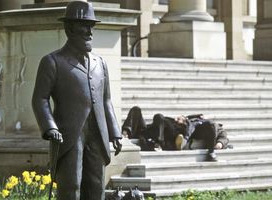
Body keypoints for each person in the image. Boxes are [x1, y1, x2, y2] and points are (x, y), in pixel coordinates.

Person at [31, 1, 122, 199]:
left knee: (97, 183)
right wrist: (50, 127)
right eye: (85, 26)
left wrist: (115, 132)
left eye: (91, 26)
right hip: (69, 134)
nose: (90, 32)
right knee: (71, 184)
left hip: (98, 133)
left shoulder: (101, 63)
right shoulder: (53, 61)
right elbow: (40, 99)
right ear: (69, 28)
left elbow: (106, 101)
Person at [122, 106, 229, 161]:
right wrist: (193, 116)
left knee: (159, 117)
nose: (177, 119)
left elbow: (223, 136)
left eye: (180, 119)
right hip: (147, 132)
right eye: (178, 118)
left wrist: (219, 144)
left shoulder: (211, 126)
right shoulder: (174, 121)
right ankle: (125, 133)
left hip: (162, 137)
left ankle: (157, 144)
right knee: (136, 110)